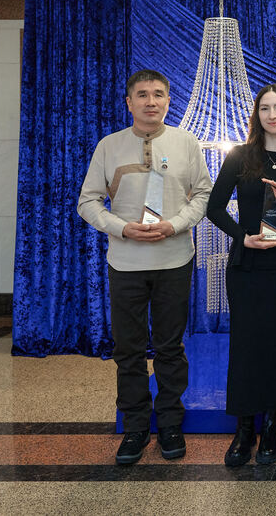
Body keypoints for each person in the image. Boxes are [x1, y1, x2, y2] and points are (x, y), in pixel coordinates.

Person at [77, 69, 212, 465]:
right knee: (129, 349)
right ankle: (136, 425)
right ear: (129, 102)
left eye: (158, 94)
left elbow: (204, 193)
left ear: (169, 100)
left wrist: (176, 224)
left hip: (174, 259)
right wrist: (121, 228)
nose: (151, 101)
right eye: (142, 95)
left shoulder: (186, 143)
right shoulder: (109, 146)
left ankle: (170, 422)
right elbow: (88, 201)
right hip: (125, 263)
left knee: (170, 347)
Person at [206, 84, 276, 467]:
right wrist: (241, 237)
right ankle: (244, 428)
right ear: (257, 115)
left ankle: (271, 427)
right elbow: (214, 208)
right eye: (265, 108)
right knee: (247, 347)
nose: (272, 115)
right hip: (247, 267)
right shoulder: (240, 155)